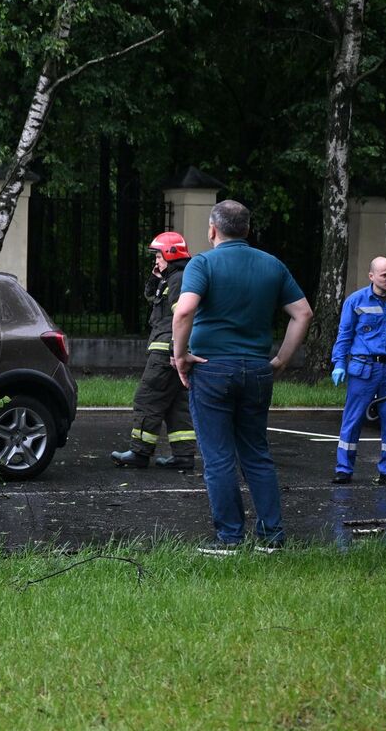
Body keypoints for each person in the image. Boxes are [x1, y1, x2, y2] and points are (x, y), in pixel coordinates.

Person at [171, 200, 313, 554]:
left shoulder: (202, 263)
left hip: (212, 367)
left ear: (212, 229)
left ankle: (230, 538)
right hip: (257, 368)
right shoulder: (272, 265)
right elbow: (303, 313)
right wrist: (280, 359)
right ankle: (271, 537)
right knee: (256, 454)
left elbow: (185, 310)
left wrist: (179, 356)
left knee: (218, 457)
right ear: (247, 230)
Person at [111, 231, 198, 471]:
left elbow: (183, 316)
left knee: (147, 398)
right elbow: (151, 296)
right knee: (175, 405)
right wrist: (155, 276)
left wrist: (174, 350)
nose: (156, 260)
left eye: (158, 256)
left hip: (166, 352)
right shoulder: (171, 278)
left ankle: (139, 452)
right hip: (171, 351)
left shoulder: (178, 279)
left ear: (170, 254)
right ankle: (183, 456)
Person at [330, 257, 386, 485]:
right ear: (372, 276)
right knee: (352, 419)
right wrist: (339, 363)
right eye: (385, 275)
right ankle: (344, 468)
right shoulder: (356, 300)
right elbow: (345, 334)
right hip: (363, 368)